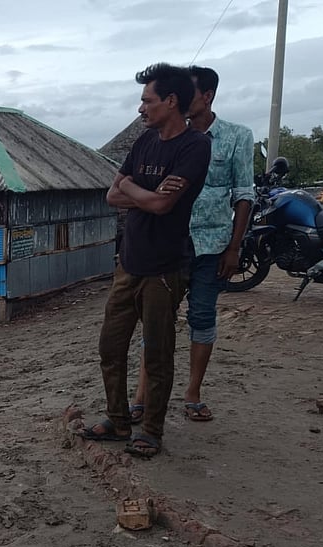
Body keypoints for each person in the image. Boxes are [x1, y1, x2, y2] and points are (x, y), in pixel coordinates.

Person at [79, 62, 211, 457]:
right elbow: (112, 196)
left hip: (164, 270)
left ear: (171, 102)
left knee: (157, 353)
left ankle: (150, 429)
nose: (141, 109)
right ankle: (118, 420)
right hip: (128, 264)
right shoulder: (143, 143)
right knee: (110, 347)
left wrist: (136, 188)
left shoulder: (195, 146)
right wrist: (145, 192)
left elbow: (162, 204)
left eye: (146, 101)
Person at [127, 66, 253, 425]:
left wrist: (234, 246)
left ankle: (193, 392)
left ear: (207, 96)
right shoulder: (164, 137)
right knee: (156, 319)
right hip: (167, 241)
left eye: (190, 94)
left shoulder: (234, 137)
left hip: (210, 242)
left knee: (201, 315)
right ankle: (141, 393)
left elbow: (243, 193)